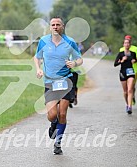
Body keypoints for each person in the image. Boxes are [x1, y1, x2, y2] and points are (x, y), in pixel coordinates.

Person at [34, 16, 83, 154]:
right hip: (50, 82)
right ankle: (53, 124)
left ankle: (58, 143)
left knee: (62, 113)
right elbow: (37, 57)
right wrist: (38, 69)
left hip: (66, 80)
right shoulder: (44, 41)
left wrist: (74, 63)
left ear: (63, 26)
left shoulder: (70, 42)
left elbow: (79, 59)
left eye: (58, 25)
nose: (55, 27)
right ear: (50, 27)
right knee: (52, 115)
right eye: (53, 25)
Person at [114, 39, 137, 114]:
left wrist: (134, 61)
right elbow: (115, 64)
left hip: (130, 72)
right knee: (125, 91)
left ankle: (130, 107)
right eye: (125, 43)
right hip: (123, 73)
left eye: (128, 43)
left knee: (130, 89)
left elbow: (135, 59)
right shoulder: (120, 54)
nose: (127, 44)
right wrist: (122, 61)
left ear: (130, 45)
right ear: (123, 45)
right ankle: (127, 104)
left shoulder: (133, 53)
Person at [119, 35, 137, 105]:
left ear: (130, 41)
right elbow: (119, 59)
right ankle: (129, 102)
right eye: (126, 40)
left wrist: (135, 60)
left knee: (132, 86)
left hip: (134, 70)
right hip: (124, 70)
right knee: (126, 89)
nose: (127, 42)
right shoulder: (121, 49)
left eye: (129, 40)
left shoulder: (135, 49)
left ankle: (132, 96)